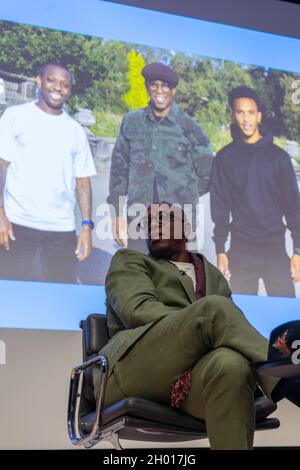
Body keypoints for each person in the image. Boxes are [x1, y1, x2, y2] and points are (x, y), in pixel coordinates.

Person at [93, 202, 300, 450]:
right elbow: (138, 312)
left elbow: (231, 333)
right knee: (214, 311)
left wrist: (203, 325)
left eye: (165, 217)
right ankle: (289, 379)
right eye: (147, 223)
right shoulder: (129, 260)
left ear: (187, 228)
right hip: (132, 370)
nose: (154, 224)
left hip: (190, 384)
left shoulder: (214, 277)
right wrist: (198, 320)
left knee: (230, 365)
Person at [0, 63, 97, 283]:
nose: (57, 88)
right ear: (39, 80)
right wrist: (0, 214)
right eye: (51, 80)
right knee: (7, 291)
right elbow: (1, 167)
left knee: (62, 291)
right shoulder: (15, 116)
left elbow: (83, 182)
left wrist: (86, 227)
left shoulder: (75, 131)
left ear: (69, 91)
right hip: (17, 222)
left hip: (61, 227)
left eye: (64, 84)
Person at [107, 62, 213, 251]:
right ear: (147, 87)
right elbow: (119, 170)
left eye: (165, 85)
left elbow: (207, 173)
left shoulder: (190, 128)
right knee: (139, 275)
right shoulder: (132, 121)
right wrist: (117, 214)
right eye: (153, 84)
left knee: (176, 278)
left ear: (173, 91)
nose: (159, 90)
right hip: (138, 218)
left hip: (179, 221)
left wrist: (184, 195)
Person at [210, 86, 300, 297]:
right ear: (233, 114)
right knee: (241, 317)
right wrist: (220, 250)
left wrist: (297, 251)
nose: (246, 119)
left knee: (287, 318)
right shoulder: (225, 158)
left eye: (251, 112)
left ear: (259, 115)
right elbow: (220, 207)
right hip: (241, 250)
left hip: (274, 249)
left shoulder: (279, 158)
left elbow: (294, 207)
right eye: (240, 112)